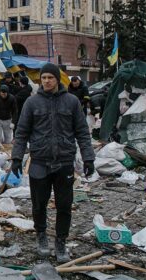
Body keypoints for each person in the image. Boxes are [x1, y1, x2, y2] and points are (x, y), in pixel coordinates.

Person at [10, 63, 95, 263]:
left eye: (50, 77)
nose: (46, 81)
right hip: (39, 161)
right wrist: (16, 158)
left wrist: (88, 157)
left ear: (58, 79)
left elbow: (82, 132)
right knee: (39, 204)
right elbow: (21, 133)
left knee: (64, 205)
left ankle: (61, 242)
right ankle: (41, 236)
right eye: (44, 77)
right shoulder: (32, 103)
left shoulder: (71, 102)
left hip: (64, 162)